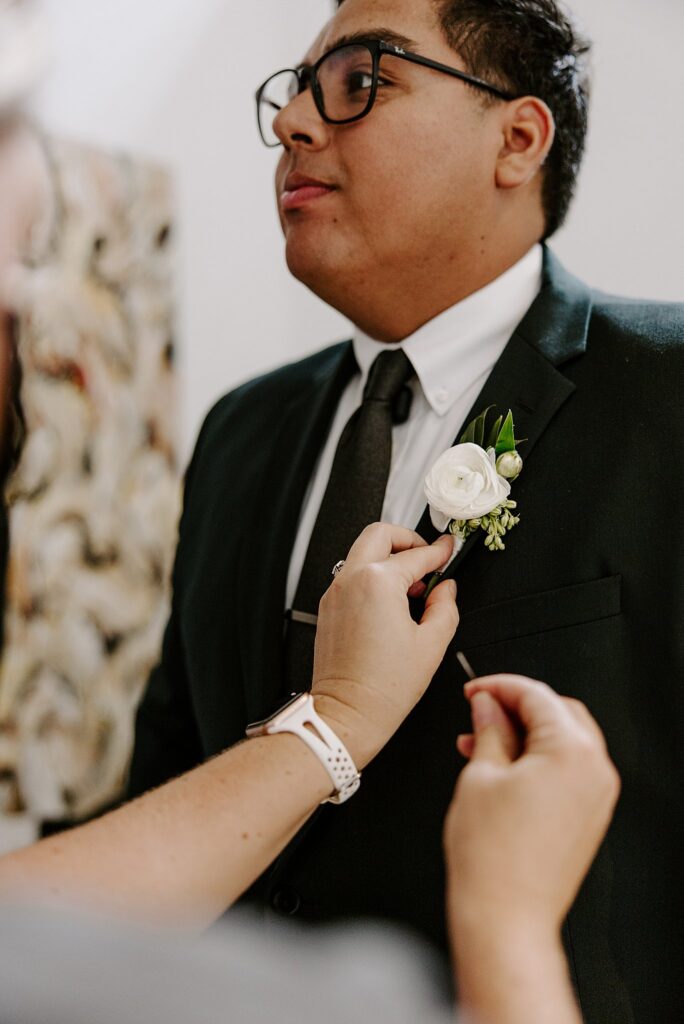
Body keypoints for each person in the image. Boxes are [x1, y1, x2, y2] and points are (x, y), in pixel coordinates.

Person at [126, 1, 683, 1021]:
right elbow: (168, 762)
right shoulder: (238, 432)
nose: (296, 119)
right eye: (293, 93)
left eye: (357, 81)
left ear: (517, 139)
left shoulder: (668, 394)